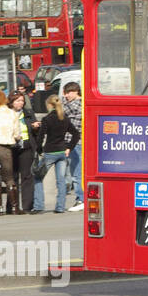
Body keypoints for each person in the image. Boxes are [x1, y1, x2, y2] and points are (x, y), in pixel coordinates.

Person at [33, 95, 80, 214]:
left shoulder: (47, 119)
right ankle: (60, 207)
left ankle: (38, 206)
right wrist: (69, 147)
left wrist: (39, 150)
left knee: (38, 177)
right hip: (62, 152)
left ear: (49, 105)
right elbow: (76, 134)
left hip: (50, 152)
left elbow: (40, 137)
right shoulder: (64, 118)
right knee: (61, 180)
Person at [7, 90, 38, 214]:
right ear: (11, 102)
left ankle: (27, 206)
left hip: (26, 146)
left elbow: (33, 131)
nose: (20, 103)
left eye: (22, 101)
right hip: (11, 147)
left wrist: (35, 127)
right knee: (12, 177)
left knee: (27, 177)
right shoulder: (7, 114)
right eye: (18, 101)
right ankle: (12, 206)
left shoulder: (28, 113)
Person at [62, 82, 84, 210]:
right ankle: (79, 198)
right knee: (75, 172)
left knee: (76, 172)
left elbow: (60, 109)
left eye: (68, 92)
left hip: (74, 143)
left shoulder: (76, 104)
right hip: (75, 142)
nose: (66, 96)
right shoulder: (76, 103)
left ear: (76, 91)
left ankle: (80, 199)